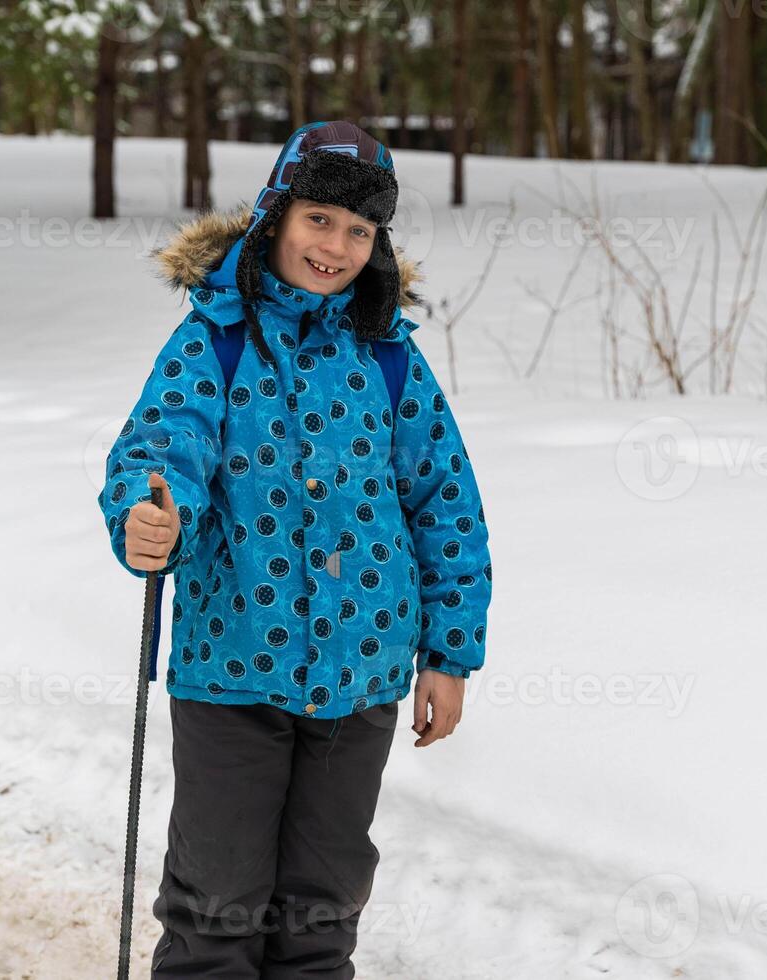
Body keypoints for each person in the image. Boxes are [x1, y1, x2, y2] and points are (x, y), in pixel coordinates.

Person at [96, 120, 493, 979]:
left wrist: (449, 653)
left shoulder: (388, 357)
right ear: (275, 215)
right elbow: (163, 446)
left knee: (323, 908)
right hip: (231, 672)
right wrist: (149, 513)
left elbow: (445, 504)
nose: (336, 245)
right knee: (217, 904)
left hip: (362, 680)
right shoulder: (218, 339)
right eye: (319, 219)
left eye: (359, 230)